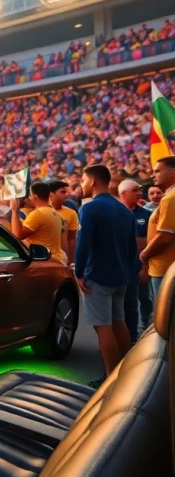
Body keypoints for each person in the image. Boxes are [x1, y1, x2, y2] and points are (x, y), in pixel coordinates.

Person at [76, 164, 139, 385]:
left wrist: (79, 272)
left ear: (93, 181)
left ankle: (111, 381)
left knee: (103, 328)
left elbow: (83, 245)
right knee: (118, 322)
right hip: (121, 275)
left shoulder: (89, 208)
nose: (81, 184)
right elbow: (133, 248)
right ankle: (124, 373)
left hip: (98, 275)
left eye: (83, 179)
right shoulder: (124, 209)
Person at [118, 179, 153, 340]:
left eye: (140, 190)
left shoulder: (147, 215)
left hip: (137, 265)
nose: (140, 193)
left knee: (138, 299)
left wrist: (144, 266)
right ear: (123, 194)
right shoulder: (114, 213)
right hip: (117, 264)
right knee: (118, 301)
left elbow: (150, 242)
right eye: (135, 190)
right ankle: (119, 336)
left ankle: (136, 333)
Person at [141, 156, 175, 301]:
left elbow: (165, 237)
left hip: (165, 270)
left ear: (172, 173)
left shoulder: (170, 199)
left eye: (157, 171)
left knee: (165, 320)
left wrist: (143, 255)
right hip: (167, 269)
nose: (152, 175)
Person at [10, 181, 65, 264]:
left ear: (35, 196)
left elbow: (18, 235)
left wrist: (14, 211)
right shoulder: (54, 213)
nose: (29, 198)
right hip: (55, 258)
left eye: (30, 195)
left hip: (45, 260)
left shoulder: (38, 214)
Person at [48, 180, 80, 266]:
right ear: (51, 194)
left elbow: (71, 239)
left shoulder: (71, 213)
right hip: (46, 258)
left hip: (63, 258)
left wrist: (71, 261)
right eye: (62, 192)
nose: (66, 195)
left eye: (66, 192)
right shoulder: (40, 212)